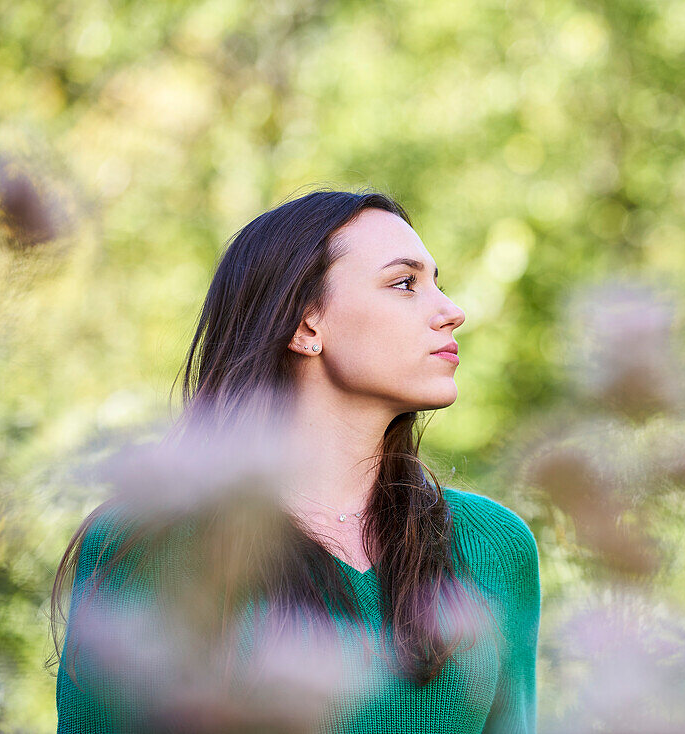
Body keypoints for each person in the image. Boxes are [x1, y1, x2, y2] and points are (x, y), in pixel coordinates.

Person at [49, 189, 541, 733]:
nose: (452, 311)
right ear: (307, 327)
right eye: (405, 283)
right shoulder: (147, 543)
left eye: (437, 283)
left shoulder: (494, 546)